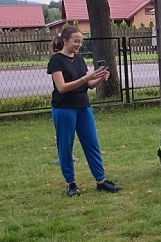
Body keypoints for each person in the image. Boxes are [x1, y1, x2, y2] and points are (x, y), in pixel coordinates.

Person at [47, 26, 122, 197]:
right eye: (76, 41)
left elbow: (87, 85)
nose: (79, 44)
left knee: (92, 143)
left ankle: (101, 181)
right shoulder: (56, 61)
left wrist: (99, 79)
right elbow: (62, 87)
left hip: (83, 107)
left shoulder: (79, 60)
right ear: (65, 41)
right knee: (66, 146)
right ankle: (71, 184)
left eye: (81, 41)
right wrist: (86, 78)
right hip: (64, 109)